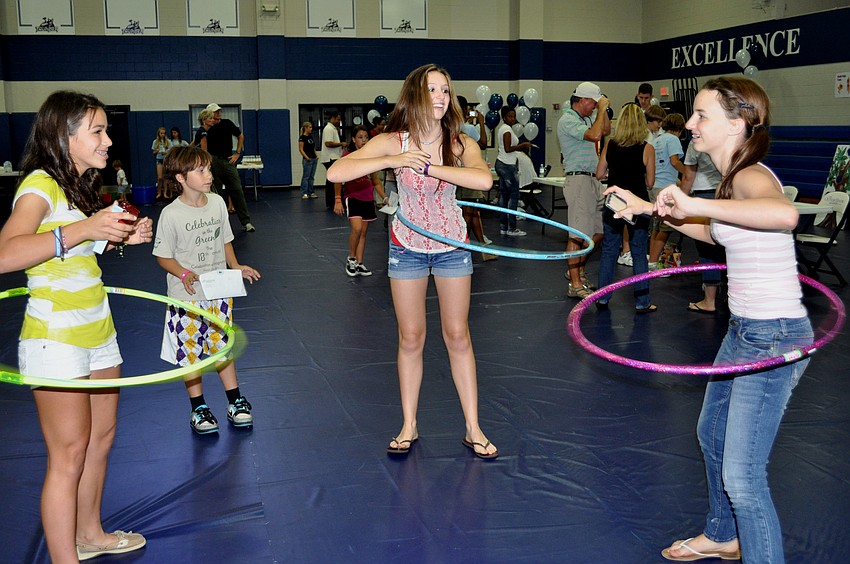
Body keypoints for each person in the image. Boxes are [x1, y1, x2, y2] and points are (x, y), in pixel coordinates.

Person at [605, 76, 813, 564]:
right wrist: (645, 209)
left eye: (702, 115)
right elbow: (720, 233)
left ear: (737, 125)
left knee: (743, 476)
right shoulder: (729, 178)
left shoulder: (749, 175)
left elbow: (784, 216)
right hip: (744, 330)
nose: (692, 124)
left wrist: (694, 202)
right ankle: (722, 535)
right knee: (711, 432)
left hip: (773, 334)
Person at [0, 90, 153, 562]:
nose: (109, 141)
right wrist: (86, 230)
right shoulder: (40, 184)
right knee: (66, 457)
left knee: (100, 440)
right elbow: (7, 253)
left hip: (99, 331)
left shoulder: (78, 186)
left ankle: (90, 534)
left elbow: (74, 252)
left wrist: (119, 236)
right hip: (56, 339)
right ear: (65, 137)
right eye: (99, 131)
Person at [327, 63, 498, 459]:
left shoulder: (459, 142)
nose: (440, 97)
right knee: (411, 337)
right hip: (407, 247)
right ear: (416, 96)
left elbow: (484, 180)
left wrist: (428, 165)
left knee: (458, 335)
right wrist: (392, 161)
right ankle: (409, 424)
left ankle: (473, 428)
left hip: (452, 246)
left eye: (445, 90)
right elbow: (338, 170)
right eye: (432, 89)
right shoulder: (393, 141)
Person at [153, 145, 260, 435]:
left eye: (208, 169)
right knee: (190, 353)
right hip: (185, 298)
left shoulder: (217, 203)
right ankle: (198, 406)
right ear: (181, 178)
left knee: (222, 348)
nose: (208, 174)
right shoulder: (171, 214)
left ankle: (235, 400)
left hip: (218, 292)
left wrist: (235, 265)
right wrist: (184, 272)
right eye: (200, 170)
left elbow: (224, 239)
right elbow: (163, 255)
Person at [594, 103, 655, 311]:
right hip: (638, 203)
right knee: (638, 252)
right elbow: (651, 182)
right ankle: (642, 301)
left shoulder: (610, 145)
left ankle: (602, 297)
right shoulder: (647, 149)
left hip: (614, 202)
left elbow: (599, 174)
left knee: (610, 249)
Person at [557, 81, 610, 299]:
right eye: (593, 103)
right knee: (578, 234)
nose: (595, 107)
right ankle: (575, 283)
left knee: (599, 232)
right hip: (578, 181)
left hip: (592, 181)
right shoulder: (567, 119)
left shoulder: (588, 118)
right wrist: (603, 108)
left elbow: (605, 129)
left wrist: (601, 110)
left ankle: (575, 270)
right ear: (583, 100)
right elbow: (596, 136)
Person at [333, 125, 386, 276]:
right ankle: (351, 258)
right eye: (360, 137)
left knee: (363, 232)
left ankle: (360, 263)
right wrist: (338, 199)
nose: (363, 140)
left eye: (366, 137)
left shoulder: (370, 158)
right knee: (356, 229)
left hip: (367, 198)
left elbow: (375, 181)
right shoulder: (347, 156)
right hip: (353, 196)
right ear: (353, 139)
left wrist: (386, 197)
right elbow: (338, 178)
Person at [680, 140, 725, 314]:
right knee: (728, 246)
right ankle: (732, 296)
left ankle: (709, 300)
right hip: (727, 194)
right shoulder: (726, 138)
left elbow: (688, 176)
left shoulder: (696, 142)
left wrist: (680, 201)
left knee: (707, 248)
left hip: (704, 195)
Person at [457, 95, 496, 262]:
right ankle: (460, 246)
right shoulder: (468, 128)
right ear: (465, 109)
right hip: (470, 173)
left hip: (456, 173)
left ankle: (481, 248)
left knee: (473, 213)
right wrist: (480, 121)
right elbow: (484, 143)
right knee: (469, 212)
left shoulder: (448, 126)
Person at [205, 103, 254, 232]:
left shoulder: (227, 123)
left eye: (219, 112)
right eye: (215, 112)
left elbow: (240, 136)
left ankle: (246, 222)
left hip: (228, 161)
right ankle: (216, 223)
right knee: (215, 194)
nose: (218, 114)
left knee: (237, 189)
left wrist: (237, 153)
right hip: (213, 161)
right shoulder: (207, 128)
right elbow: (200, 143)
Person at [648, 113, 686, 269]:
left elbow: (664, 168)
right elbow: (674, 162)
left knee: (656, 227)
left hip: (655, 186)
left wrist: (679, 180)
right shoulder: (673, 139)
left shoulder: (656, 140)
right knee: (666, 228)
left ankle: (651, 260)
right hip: (664, 188)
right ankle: (653, 264)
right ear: (679, 129)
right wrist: (689, 175)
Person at [495, 106, 532, 237]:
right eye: (510, 116)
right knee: (513, 197)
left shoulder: (504, 129)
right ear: (504, 117)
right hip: (507, 166)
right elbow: (507, 148)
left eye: (514, 116)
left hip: (503, 164)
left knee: (504, 197)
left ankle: (503, 227)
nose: (513, 119)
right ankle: (511, 228)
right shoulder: (506, 130)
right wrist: (522, 146)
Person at [321, 111, 346, 209]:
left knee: (331, 181)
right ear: (333, 118)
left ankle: (331, 202)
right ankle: (332, 202)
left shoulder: (333, 129)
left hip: (333, 156)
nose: (339, 122)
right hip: (330, 157)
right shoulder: (329, 129)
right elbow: (328, 143)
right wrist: (341, 144)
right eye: (338, 119)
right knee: (333, 180)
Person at [298, 121, 319, 199]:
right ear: (305, 128)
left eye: (311, 127)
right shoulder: (302, 138)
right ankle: (304, 192)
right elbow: (301, 149)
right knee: (306, 177)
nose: (311, 129)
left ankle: (311, 192)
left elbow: (313, 147)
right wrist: (306, 157)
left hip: (313, 159)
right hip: (307, 160)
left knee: (311, 177)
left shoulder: (310, 137)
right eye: (310, 127)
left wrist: (316, 155)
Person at [152, 126, 170, 200]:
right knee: (159, 177)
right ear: (158, 134)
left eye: (164, 133)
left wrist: (165, 152)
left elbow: (170, 151)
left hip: (165, 160)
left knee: (165, 177)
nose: (162, 135)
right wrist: (156, 151)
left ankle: (165, 193)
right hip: (159, 159)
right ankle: (159, 192)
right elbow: (153, 153)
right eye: (161, 133)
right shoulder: (155, 142)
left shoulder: (168, 141)